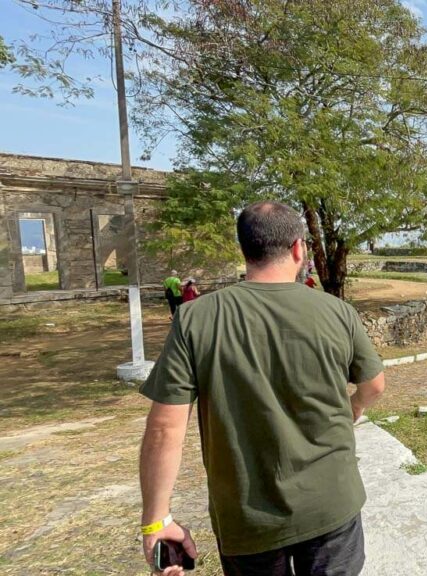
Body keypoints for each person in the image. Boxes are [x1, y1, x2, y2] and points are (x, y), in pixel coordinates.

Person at [138, 201, 386, 576]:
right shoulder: (338, 312)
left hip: (247, 516)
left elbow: (164, 428)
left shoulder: (195, 319)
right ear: (299, 248)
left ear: (245, 251)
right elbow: (374, 386)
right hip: (331, 504)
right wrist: (354, 407)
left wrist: (156, 520)